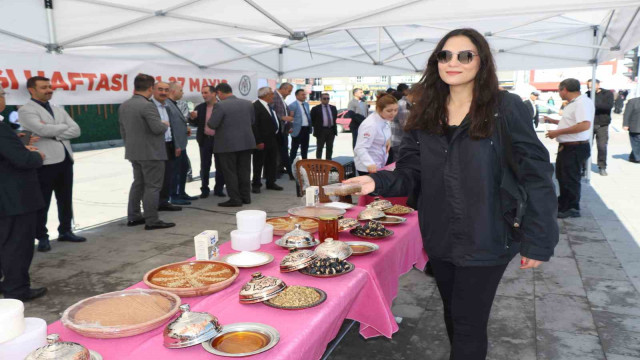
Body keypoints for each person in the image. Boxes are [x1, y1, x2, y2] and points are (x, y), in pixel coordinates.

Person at [345, 28, 558, 360]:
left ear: (481, 62)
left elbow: (537, 175)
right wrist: (377, 184)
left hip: (489, 234)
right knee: (453, 313)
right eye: (445, 55)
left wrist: (540, 239)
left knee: (468, 323)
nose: (453, 62)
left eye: (465, 55)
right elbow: (410, 174)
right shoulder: (424, 111)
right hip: (440, 234)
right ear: (436, 62)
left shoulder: (506, 107)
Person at [19, 76, 86, 252]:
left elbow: (77, 130)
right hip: (45, 162)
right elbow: (41, 130)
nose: (49, 90)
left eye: (50, 86)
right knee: (43, 202)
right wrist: (62, 128)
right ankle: (41, 236)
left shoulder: (58, 109)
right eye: (44, 87)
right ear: (32, 90)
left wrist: (54, 132)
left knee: (65, 199)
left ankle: (65, 230)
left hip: (65, 160)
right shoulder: (26, 110)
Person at [118, 74, 175, 230]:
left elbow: (123, 131)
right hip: (151, 153)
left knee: (138, 184)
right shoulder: (147, 105)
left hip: (133, 152)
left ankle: (134, 215)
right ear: (151, 88)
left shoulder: (124, 105)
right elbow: (157, 129)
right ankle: (152, 219)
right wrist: (165, 124)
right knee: (153, 187)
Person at [0, 118, 48, 301]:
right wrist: (37, 156)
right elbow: (23, 160)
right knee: (17, 246)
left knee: (5, 243)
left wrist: (18, 145)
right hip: (13, 199)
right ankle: (17, 290)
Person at [543, 78, 594, 218]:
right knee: (562, 177)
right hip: (568, 147)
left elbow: (584, 125)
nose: (559, 93)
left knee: (570, 178)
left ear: (564, 89)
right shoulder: (575, 103)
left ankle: (571, 207)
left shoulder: (582, 103)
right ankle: (564, 203)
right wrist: (553, 121)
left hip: (575, 148)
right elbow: (571, 122)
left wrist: (557, 132)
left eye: (559, 90)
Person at [207, 83, 256, 207]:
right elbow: (252, 121)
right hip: (246, 142)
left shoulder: (220, 105)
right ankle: (246, 197)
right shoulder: (248, 103)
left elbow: (212, 124)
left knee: (230, 173)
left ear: (219, 93)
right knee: (244, 171)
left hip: (227, 145)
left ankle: (235, 199)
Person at [153, 82, 184, 211]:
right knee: (157, 178)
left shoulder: (166, 106)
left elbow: (172, 127)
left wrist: (176, 144)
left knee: (168, 175)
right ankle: (154, 205)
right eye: (160, 89)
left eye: (166, 90)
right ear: (153, 90)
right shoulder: (150, 106)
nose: (163, 92)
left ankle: (164, 202)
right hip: (157, 146)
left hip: (169, 144)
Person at [190, 85, 225, 198]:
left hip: (219, 140)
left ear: (214, 93)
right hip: (205, 139)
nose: (203, 95)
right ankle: (204, 189)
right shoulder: (200, 107)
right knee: (205, 166)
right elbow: (195, 124)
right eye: (202, 93)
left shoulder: (222, 106)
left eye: (206, 93)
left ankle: (219, 189)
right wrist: (193, 118)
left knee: (220, 166)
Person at [167, 82, 198, 203]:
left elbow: (179, 122)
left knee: (183, 168)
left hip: (182, 144)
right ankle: (174, 196)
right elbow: (170, 127)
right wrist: (175, 145)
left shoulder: (175, 104)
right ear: (174, 91)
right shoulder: (167, 105)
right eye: (181, 90)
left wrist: (185, 128)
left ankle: (181, 192)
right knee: (175, 171)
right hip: (176, 145)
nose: (182, 93)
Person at [354, 94, 398, 175]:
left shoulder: (385, 118)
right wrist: (369, 163)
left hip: (379, 163)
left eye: (395, 110)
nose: (393, 113)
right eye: (389, 111)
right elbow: (360, 148)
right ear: (378, 109)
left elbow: (384, 132)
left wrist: (387, 140)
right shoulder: (370, 125)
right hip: (368, 167)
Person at [251, 87, 283, 193]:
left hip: (272, 139)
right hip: (262, 140)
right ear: (266, 95)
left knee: (271, 162)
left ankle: (270, 182)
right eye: (271, 94)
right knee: (258, 163)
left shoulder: (269, 106)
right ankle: (256, 184)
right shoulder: (256, 106)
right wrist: (258, 141)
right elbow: (254, 125)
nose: (273, 96)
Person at [586, 79, 614, 176]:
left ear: (598, 85)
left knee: (602, 146)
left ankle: (602, 166)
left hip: (602, 124)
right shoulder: (587, 94)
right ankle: (584, 167)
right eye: (589, 86)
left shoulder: (607, 94)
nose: (590, 88)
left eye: (592, 86)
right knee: (586, 146)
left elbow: (608, 106)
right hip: (589, 124)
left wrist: (592, 104)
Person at [273, 83, 295, 180]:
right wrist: (283, 117)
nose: (289, 94)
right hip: (277, 130)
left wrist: (289, 123)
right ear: (283, 89)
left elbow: (284, 112)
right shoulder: (274, 96)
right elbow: (272, 112)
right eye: (289, 91)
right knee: (280, 152)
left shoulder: (281, 98)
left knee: (284, 152)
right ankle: (277, 171)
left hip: (284, 129)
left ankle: (282, 169)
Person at [288, 89, 312, 165]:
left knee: (305, 149)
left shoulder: (306, 104)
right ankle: (291, 167)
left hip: (306, 129)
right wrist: (291, 129)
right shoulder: (292, 105)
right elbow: (290, 119)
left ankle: (305, 165)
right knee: (294, 150)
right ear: (297, 96)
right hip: (297, 130)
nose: (304, 96)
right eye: (302, 94)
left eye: (305, 94)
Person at [310, 92, 338, 160]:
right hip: (321, 131)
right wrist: (317, 127)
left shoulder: (333, 108)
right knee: (320, 147)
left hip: (331, 130)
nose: (326, 100)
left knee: (330, 147)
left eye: (328, 98)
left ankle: (329, 162)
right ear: (321, 99)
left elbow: (334, 118)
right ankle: (319, 162)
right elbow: (312, 120)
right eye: (324, 98)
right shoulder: (316, 108)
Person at [389, 84, 412, 162]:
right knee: (399, 164)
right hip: (399, 141)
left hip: (400, 141)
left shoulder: (407, 104)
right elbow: (405, 126)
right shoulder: (403, 104)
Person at [623, 96, 640, 163]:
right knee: (636, 142)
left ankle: (633, 157)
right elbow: (627, 114)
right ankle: (637, 158)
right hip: (635, 126)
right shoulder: (633, 101)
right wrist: (625, 124)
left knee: (636, 144)